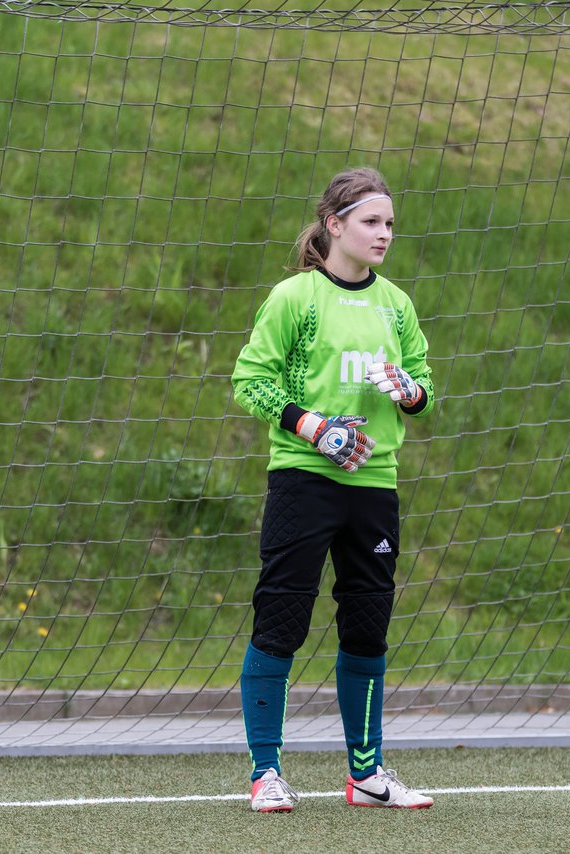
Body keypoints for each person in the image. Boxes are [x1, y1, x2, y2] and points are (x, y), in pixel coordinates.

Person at [231, 168, 434, 811]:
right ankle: (266, 773)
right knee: (282, 619)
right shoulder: (295, 298)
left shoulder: (396, 305)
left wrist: (409, 391)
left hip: (374, 486)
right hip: (304, 480)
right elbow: (251, 382)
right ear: (334, 224)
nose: (384, 235)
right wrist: (315, 427)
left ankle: (367, 775)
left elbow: (423, 389)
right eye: (372, 222)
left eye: (391, 224)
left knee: (368, 628)